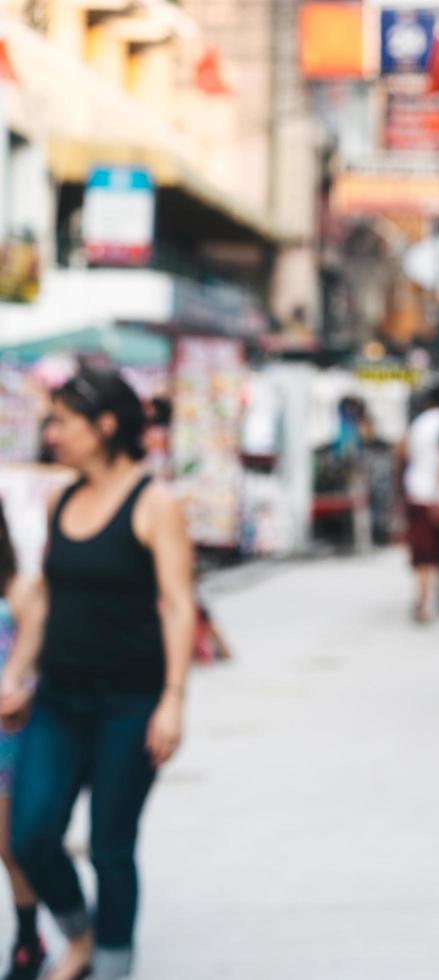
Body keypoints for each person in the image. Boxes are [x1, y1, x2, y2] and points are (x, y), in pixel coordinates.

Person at [0, 368, 194, 980]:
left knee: (111, 847)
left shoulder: (154, 504)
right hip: (57, 699)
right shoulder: (62, 499)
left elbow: (181, 604)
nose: (51, 434)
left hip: (129, 703)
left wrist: (173, 699)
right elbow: (48, 597)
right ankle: (78, 935)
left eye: (63, 421)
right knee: (30, 833)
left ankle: (111, 963)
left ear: (106, 426)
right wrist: (17, 673)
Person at [0, 504, 42, 980]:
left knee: (9, 846)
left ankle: (28, 935)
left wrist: (21, 692)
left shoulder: (18, 589)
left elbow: (39, 655)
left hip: (7, 735)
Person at [399, 383, 439, 623]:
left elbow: (404, 453)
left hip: (417, 492)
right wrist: (437, 494)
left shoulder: (418, 423)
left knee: (423, 554)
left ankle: (423, 602)